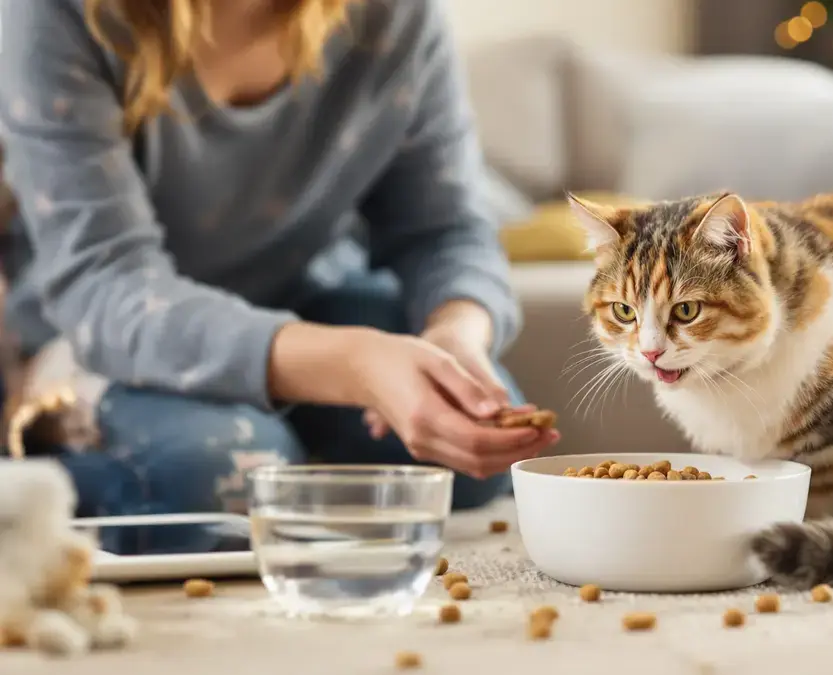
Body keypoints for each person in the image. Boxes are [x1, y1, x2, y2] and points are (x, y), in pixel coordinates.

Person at [0, 0, 559, 546]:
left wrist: (456, 333)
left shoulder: (398, 15)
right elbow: (106, 285)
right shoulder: (55, 13)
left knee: (469, 452)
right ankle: (39, 458)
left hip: (304, 303)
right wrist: (355, 365)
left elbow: (444, 229)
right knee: (228, 473)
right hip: (92, 336)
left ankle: (286, 452)